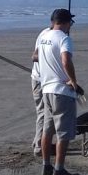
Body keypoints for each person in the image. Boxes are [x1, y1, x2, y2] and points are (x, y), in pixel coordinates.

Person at [37, 8, 80, 175]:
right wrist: (73, 81)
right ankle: (59, 171)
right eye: (71, 22)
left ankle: (46, 167)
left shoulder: (43, 37)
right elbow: (65, 60)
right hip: (61, 91)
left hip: (46, 90)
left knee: (47, 130)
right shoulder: (64, 38)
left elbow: (36, 57)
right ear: (66, 22)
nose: (71, 26)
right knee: (63, 133)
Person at [30, 23, 51, 156]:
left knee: (43, 112)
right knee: (44, 112)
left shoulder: (45, 34)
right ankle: (39, 146)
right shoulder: (49, 35)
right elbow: (35, 57)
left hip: (40, 78)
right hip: (42, 79)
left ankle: (38, 142)